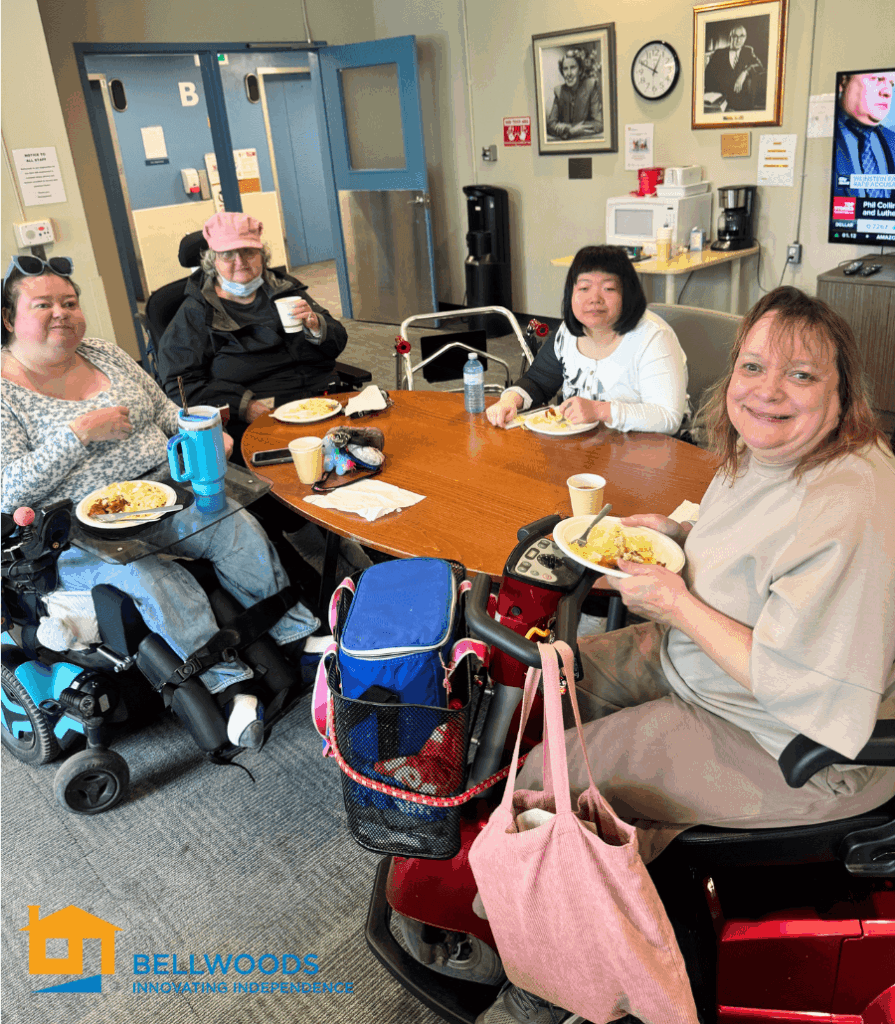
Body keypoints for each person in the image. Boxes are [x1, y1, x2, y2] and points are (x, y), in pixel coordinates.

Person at [412, 286, 895, 1023]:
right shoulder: (766, 449)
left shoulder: (848, 505)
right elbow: (757, 551)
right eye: (753, 366)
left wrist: (675, 604)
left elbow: (803, 685)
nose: (767, 391)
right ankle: (522, 902)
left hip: (785, 739)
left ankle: (548, 986)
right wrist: (675, 531)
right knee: (541, 687)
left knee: (548, 781)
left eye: (801, 375)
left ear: (841, 395)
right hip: (700, 664)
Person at [1, 255, 320, 751]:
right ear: (8, 319)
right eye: (43, 304)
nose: (61, 312)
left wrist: (201, 433)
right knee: (153, 578)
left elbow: (166, 411)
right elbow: (9, 489)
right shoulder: (5, 393)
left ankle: (296, 635)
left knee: (234, 523)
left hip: (162, 496)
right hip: (82, 536)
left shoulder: (104, 353)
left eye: (70, 301)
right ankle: (227, 686)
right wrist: (78, 435)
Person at [156, 211, 349, 450]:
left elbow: (338, 340)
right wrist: (243, 406)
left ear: (262, 255)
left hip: (322, 402)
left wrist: (318, 327)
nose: (240, 261)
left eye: (248, 251)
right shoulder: (196, 311)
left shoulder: (284, 288)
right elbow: (180, 384)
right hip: (260, 419)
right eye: (227, 254)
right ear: (213, 261)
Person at [486, 246, 688, 435]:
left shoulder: (653, 337)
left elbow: (668, 417)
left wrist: (600, 410)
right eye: (584, 288)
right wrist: (510, 400)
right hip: (585, 446)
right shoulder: (568, 332)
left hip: (647, 450)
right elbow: (538, 381)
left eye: (608, 288)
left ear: (628, 294)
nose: (595, 298)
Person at [833, 70, 895, 199]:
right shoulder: (822, 141)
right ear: (843, 81)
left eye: (891, 84)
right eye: (877, 79)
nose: (887, 92)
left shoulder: (892, 140)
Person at [703, 25, 764, 112]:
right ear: (730, 37)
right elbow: (707, 77)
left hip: (743, 104)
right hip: (722, 103)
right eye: (735, 36)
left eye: (742, 36)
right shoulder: (719, 53)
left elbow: (760, 66)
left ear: (745, 38)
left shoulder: (748, 51)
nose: (738, 40)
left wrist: (745, 72)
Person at [546, 50, 602, 140]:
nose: (569, 73)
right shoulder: (559, 91)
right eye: (565, 69)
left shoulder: (591, 86)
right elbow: (550, 125)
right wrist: (571, 131)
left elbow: (599, 123)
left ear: (580, 70)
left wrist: (569, 129)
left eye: (573, 68)